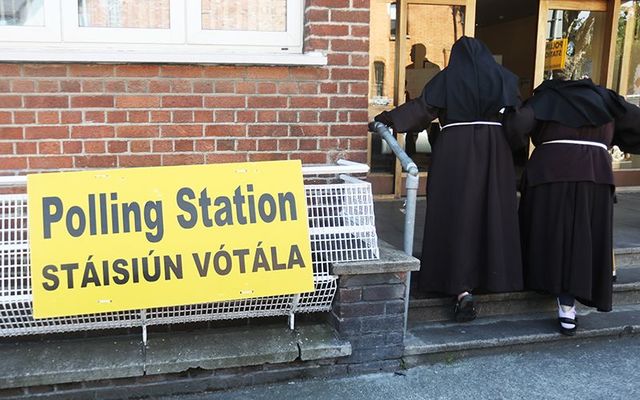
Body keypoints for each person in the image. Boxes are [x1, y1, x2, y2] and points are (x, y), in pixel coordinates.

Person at [374, 36, 530, 322]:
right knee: (492, 211)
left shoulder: (447, 79)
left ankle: (459, 286)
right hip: (495, 152)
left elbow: (422, 110)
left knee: (456, 214)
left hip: (455, 152)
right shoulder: (504, 79)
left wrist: (387, 119)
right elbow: (519, 121)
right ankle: (492, 276)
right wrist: (509, 143)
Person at [516, 78, 640, 335]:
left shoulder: (546, 98)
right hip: (594, 174)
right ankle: (568, 308)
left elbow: (517, 125)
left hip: (549, 173)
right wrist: (611, 136)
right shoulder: (606, 99)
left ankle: (552, 289)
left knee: (549, 232)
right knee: (585, 235)